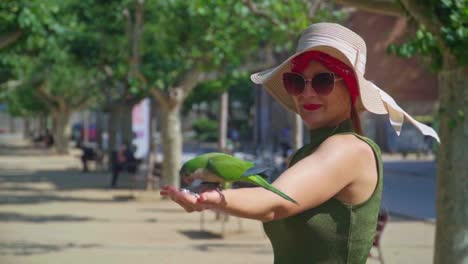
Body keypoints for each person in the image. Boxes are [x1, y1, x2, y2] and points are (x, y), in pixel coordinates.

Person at [161, 23, 439, 263]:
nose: (306, 93)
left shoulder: (349, 149)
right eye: (296, 81)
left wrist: (212, 200)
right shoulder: (307, 153)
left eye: (322, 81)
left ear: (351, 89)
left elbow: (275, 202)